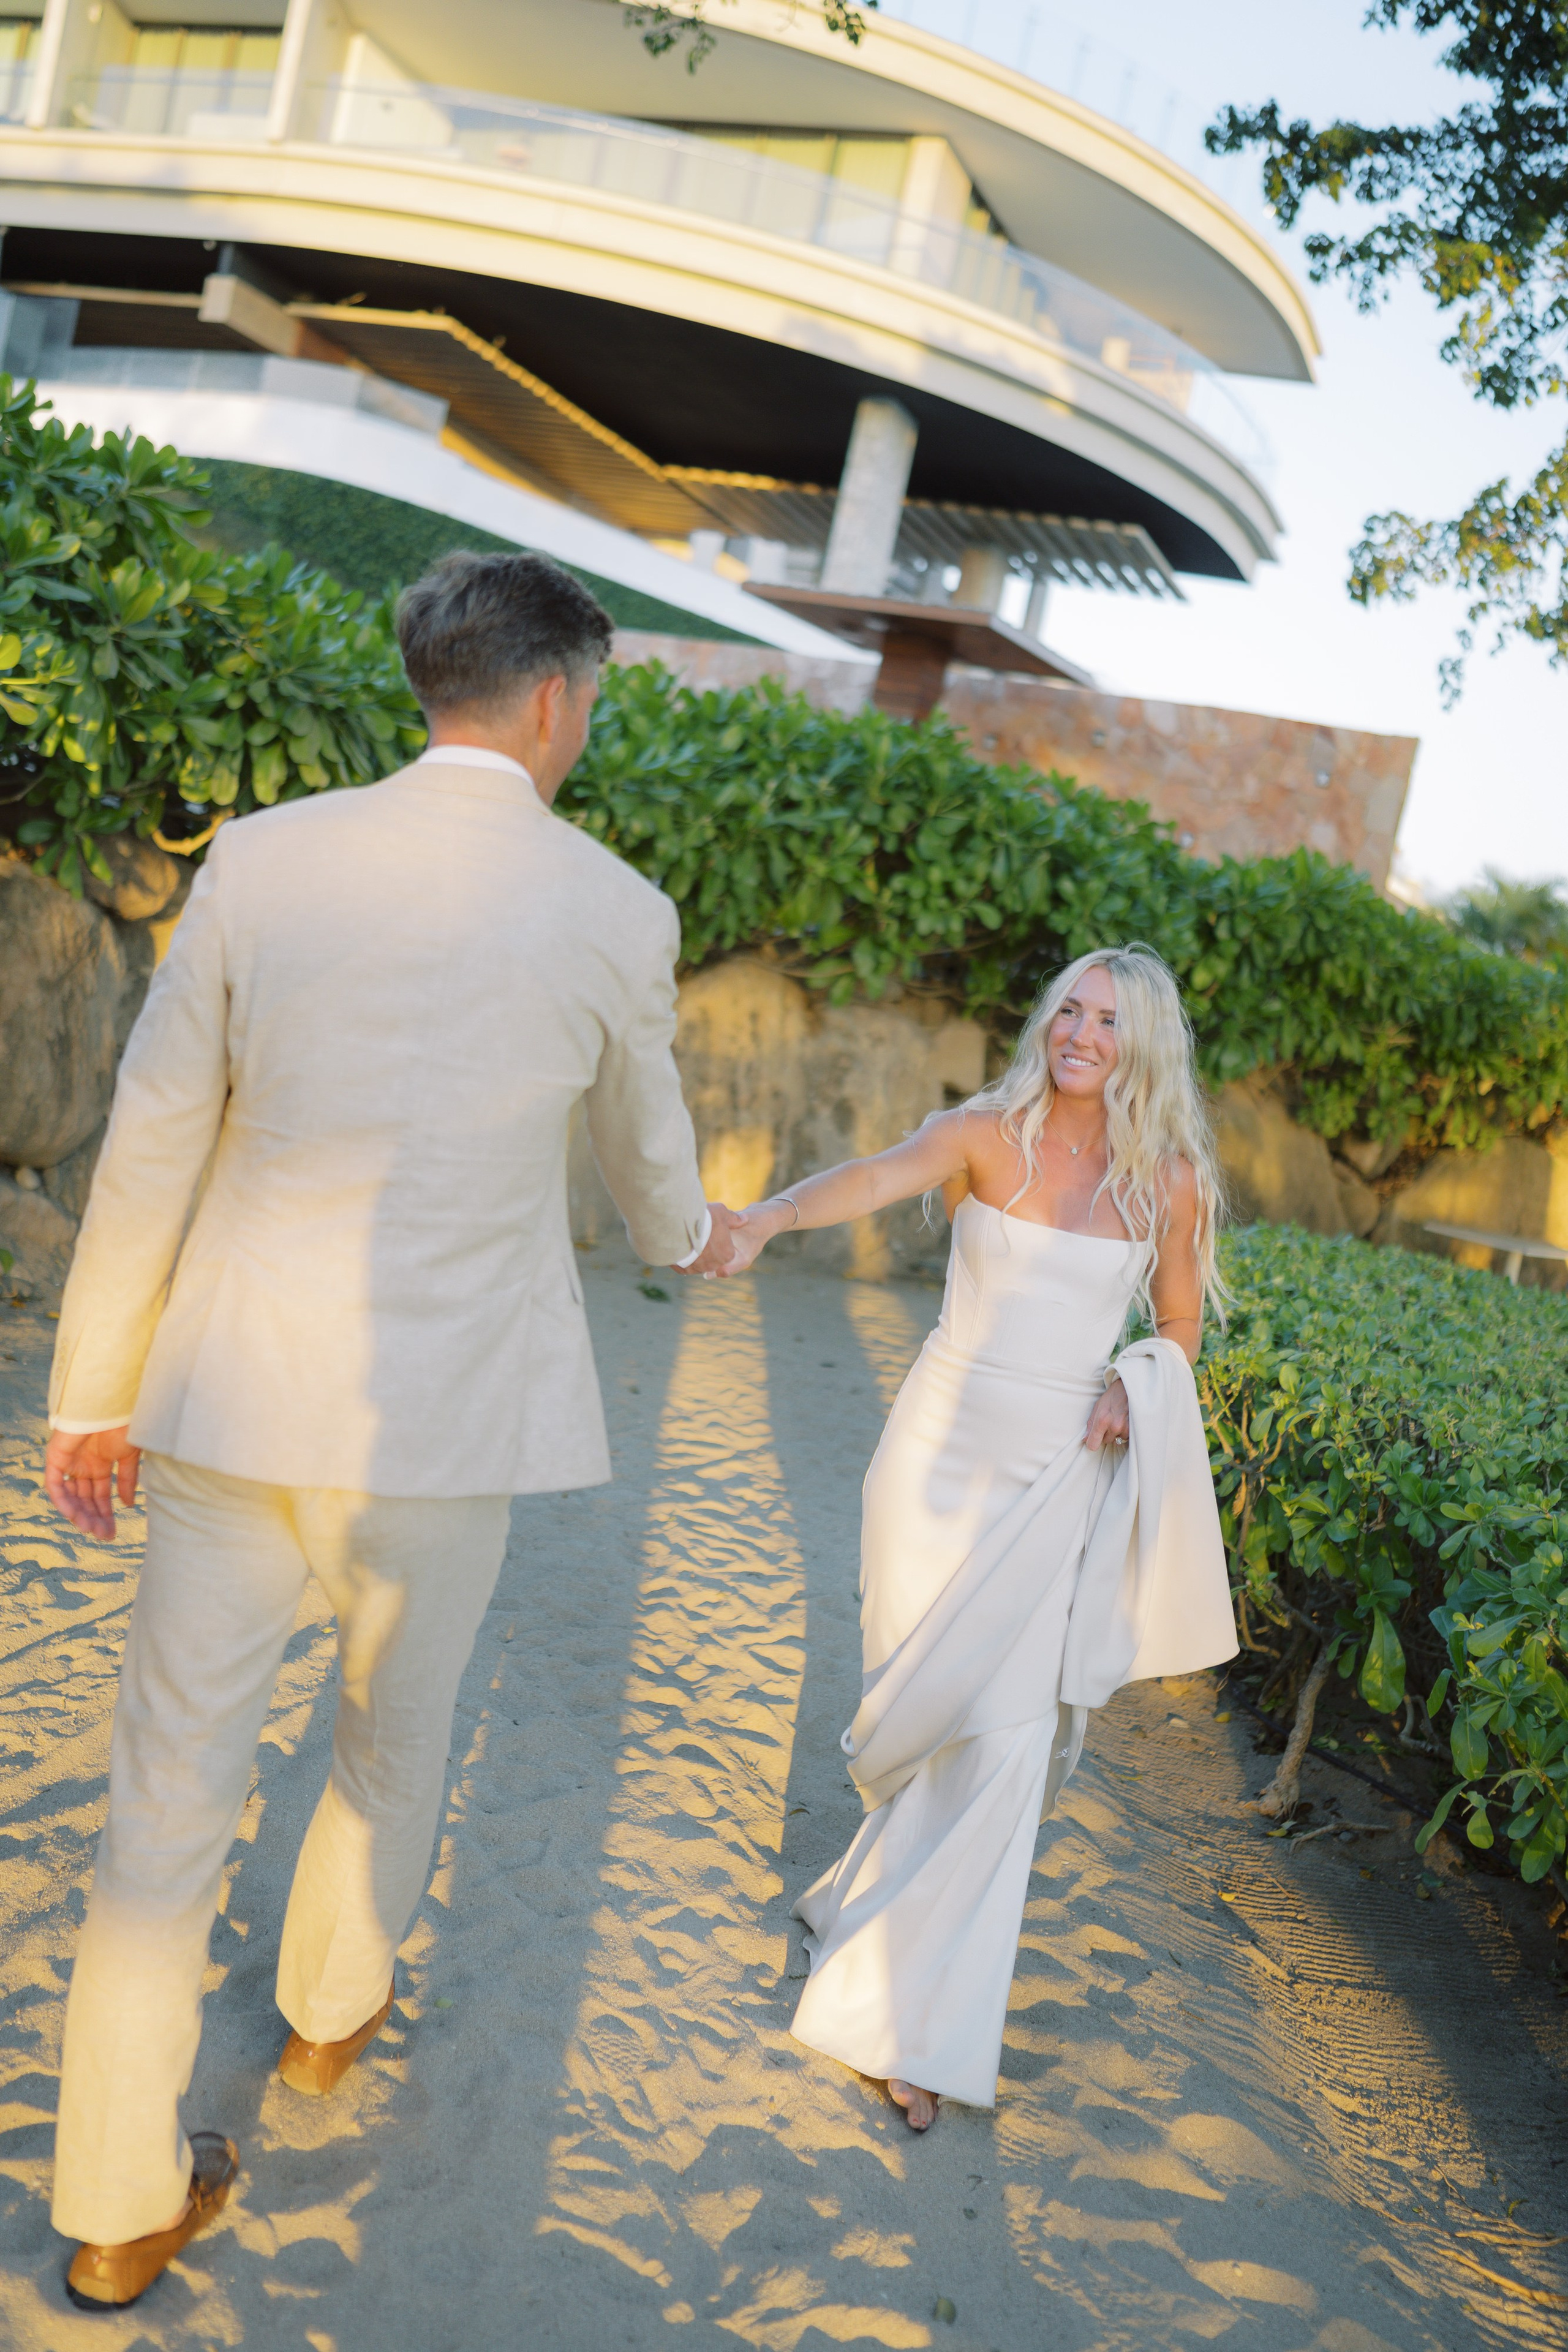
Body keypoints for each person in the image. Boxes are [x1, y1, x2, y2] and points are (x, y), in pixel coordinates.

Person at [40, 551, 738, 2308]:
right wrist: (693, 1233)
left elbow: (151, 1135)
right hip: (446, 1427)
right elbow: (656, 1183)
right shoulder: (612, 909)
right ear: (560, 698)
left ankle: (115, 2209)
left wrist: (89, 1396)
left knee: (164, 1808)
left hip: (226, 1403)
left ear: (433, 680)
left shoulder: (266, 861)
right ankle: (328, 2021)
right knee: (388, 1742)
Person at [719, 945, 1237, 2131]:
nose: (1081, 1032)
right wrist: (762, 1220)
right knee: (926, 1713)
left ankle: (913, 2027)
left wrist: (1135, 1380)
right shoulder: (979, 1134)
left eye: (1108, 1019)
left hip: (1057, 1478)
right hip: (930, 1467)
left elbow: (1173, 1324)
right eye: (1070, 1007)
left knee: (1004, 1742)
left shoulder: (1166, 1180)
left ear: (1141, 1042)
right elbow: (867, 1177)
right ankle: (865, 1899)